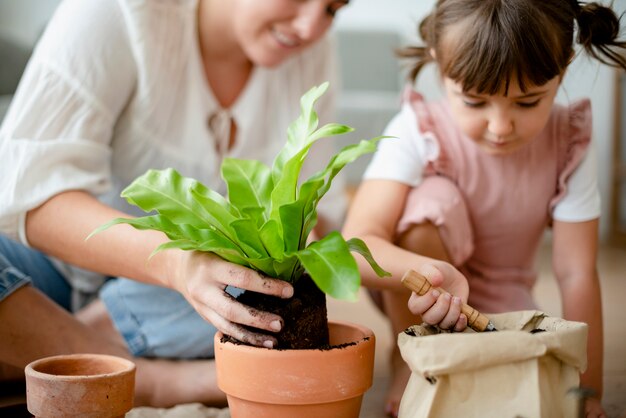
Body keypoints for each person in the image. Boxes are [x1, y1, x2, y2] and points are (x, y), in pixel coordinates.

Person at [0, 0, 353, 408]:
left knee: (282, 290)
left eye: (333, 8)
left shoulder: (308, 49)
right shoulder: (119, 12)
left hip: (177, 309)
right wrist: (177, 264)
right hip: (45, 276)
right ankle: (148, 380)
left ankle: (45, 346)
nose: (310, 26)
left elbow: (322, 218)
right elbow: (27, 196)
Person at [342, 1, 626, 417]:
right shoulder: (416, 128)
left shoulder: (569, 139)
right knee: (430, 201)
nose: (500, 126)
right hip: (421, 299)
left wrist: (589, 392)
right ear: (441, 69)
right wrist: (433, 276)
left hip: (506, 307)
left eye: (527, 103)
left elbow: (576, 271)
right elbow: (355, 248)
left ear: (563, 69)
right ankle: (413, 359)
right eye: (475, 102)